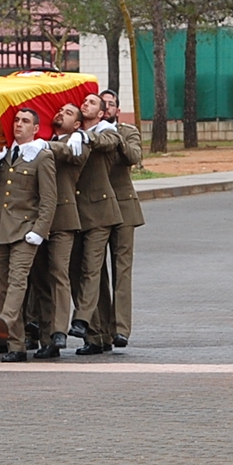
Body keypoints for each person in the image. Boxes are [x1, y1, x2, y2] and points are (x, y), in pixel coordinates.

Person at [0, 109, 56, 362]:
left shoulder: (41, 156)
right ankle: (16, 346)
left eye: (25, 122)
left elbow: (49, 199)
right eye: (16, 121)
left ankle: (7, 318)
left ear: (36, 129)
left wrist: (39, 231)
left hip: (26, 230)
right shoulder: (3, 154)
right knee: (1, 286)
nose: (19, 125)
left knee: (18, 278)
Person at [67, 93, 122, 355]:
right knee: (79, 272)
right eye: (85, 101)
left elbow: (109, 142)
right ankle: (98, 336)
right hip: (77, 214)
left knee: (91, 268)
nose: (85, 104)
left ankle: (82, 320)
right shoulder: (73, 133)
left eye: (92, 103)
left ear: (101, 114)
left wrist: (86, 136)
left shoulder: (106, 131)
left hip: (100, 213)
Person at [32, 103, 87, 359]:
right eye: (60, 110)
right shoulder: (43, 142)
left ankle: (59, 331)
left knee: (58, 272)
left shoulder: (76, 142)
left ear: (77, 124)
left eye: (68, 113)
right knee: (40, 279)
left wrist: (45, 145)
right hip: (37, 220)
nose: (60, 114)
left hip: (63, 218)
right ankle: (46, 338)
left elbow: (71, 155)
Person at [95, 89, 143, 349]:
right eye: (105, 104)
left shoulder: (126, 131)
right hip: (98, 209)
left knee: (121, 270)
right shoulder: (92, 134)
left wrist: (116, 138)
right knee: (96, 271)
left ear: (117, 109)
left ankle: (121, 329)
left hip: (124, 209)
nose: (109, 108)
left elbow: (134, 157)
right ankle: (101, 328)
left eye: (112, 104)